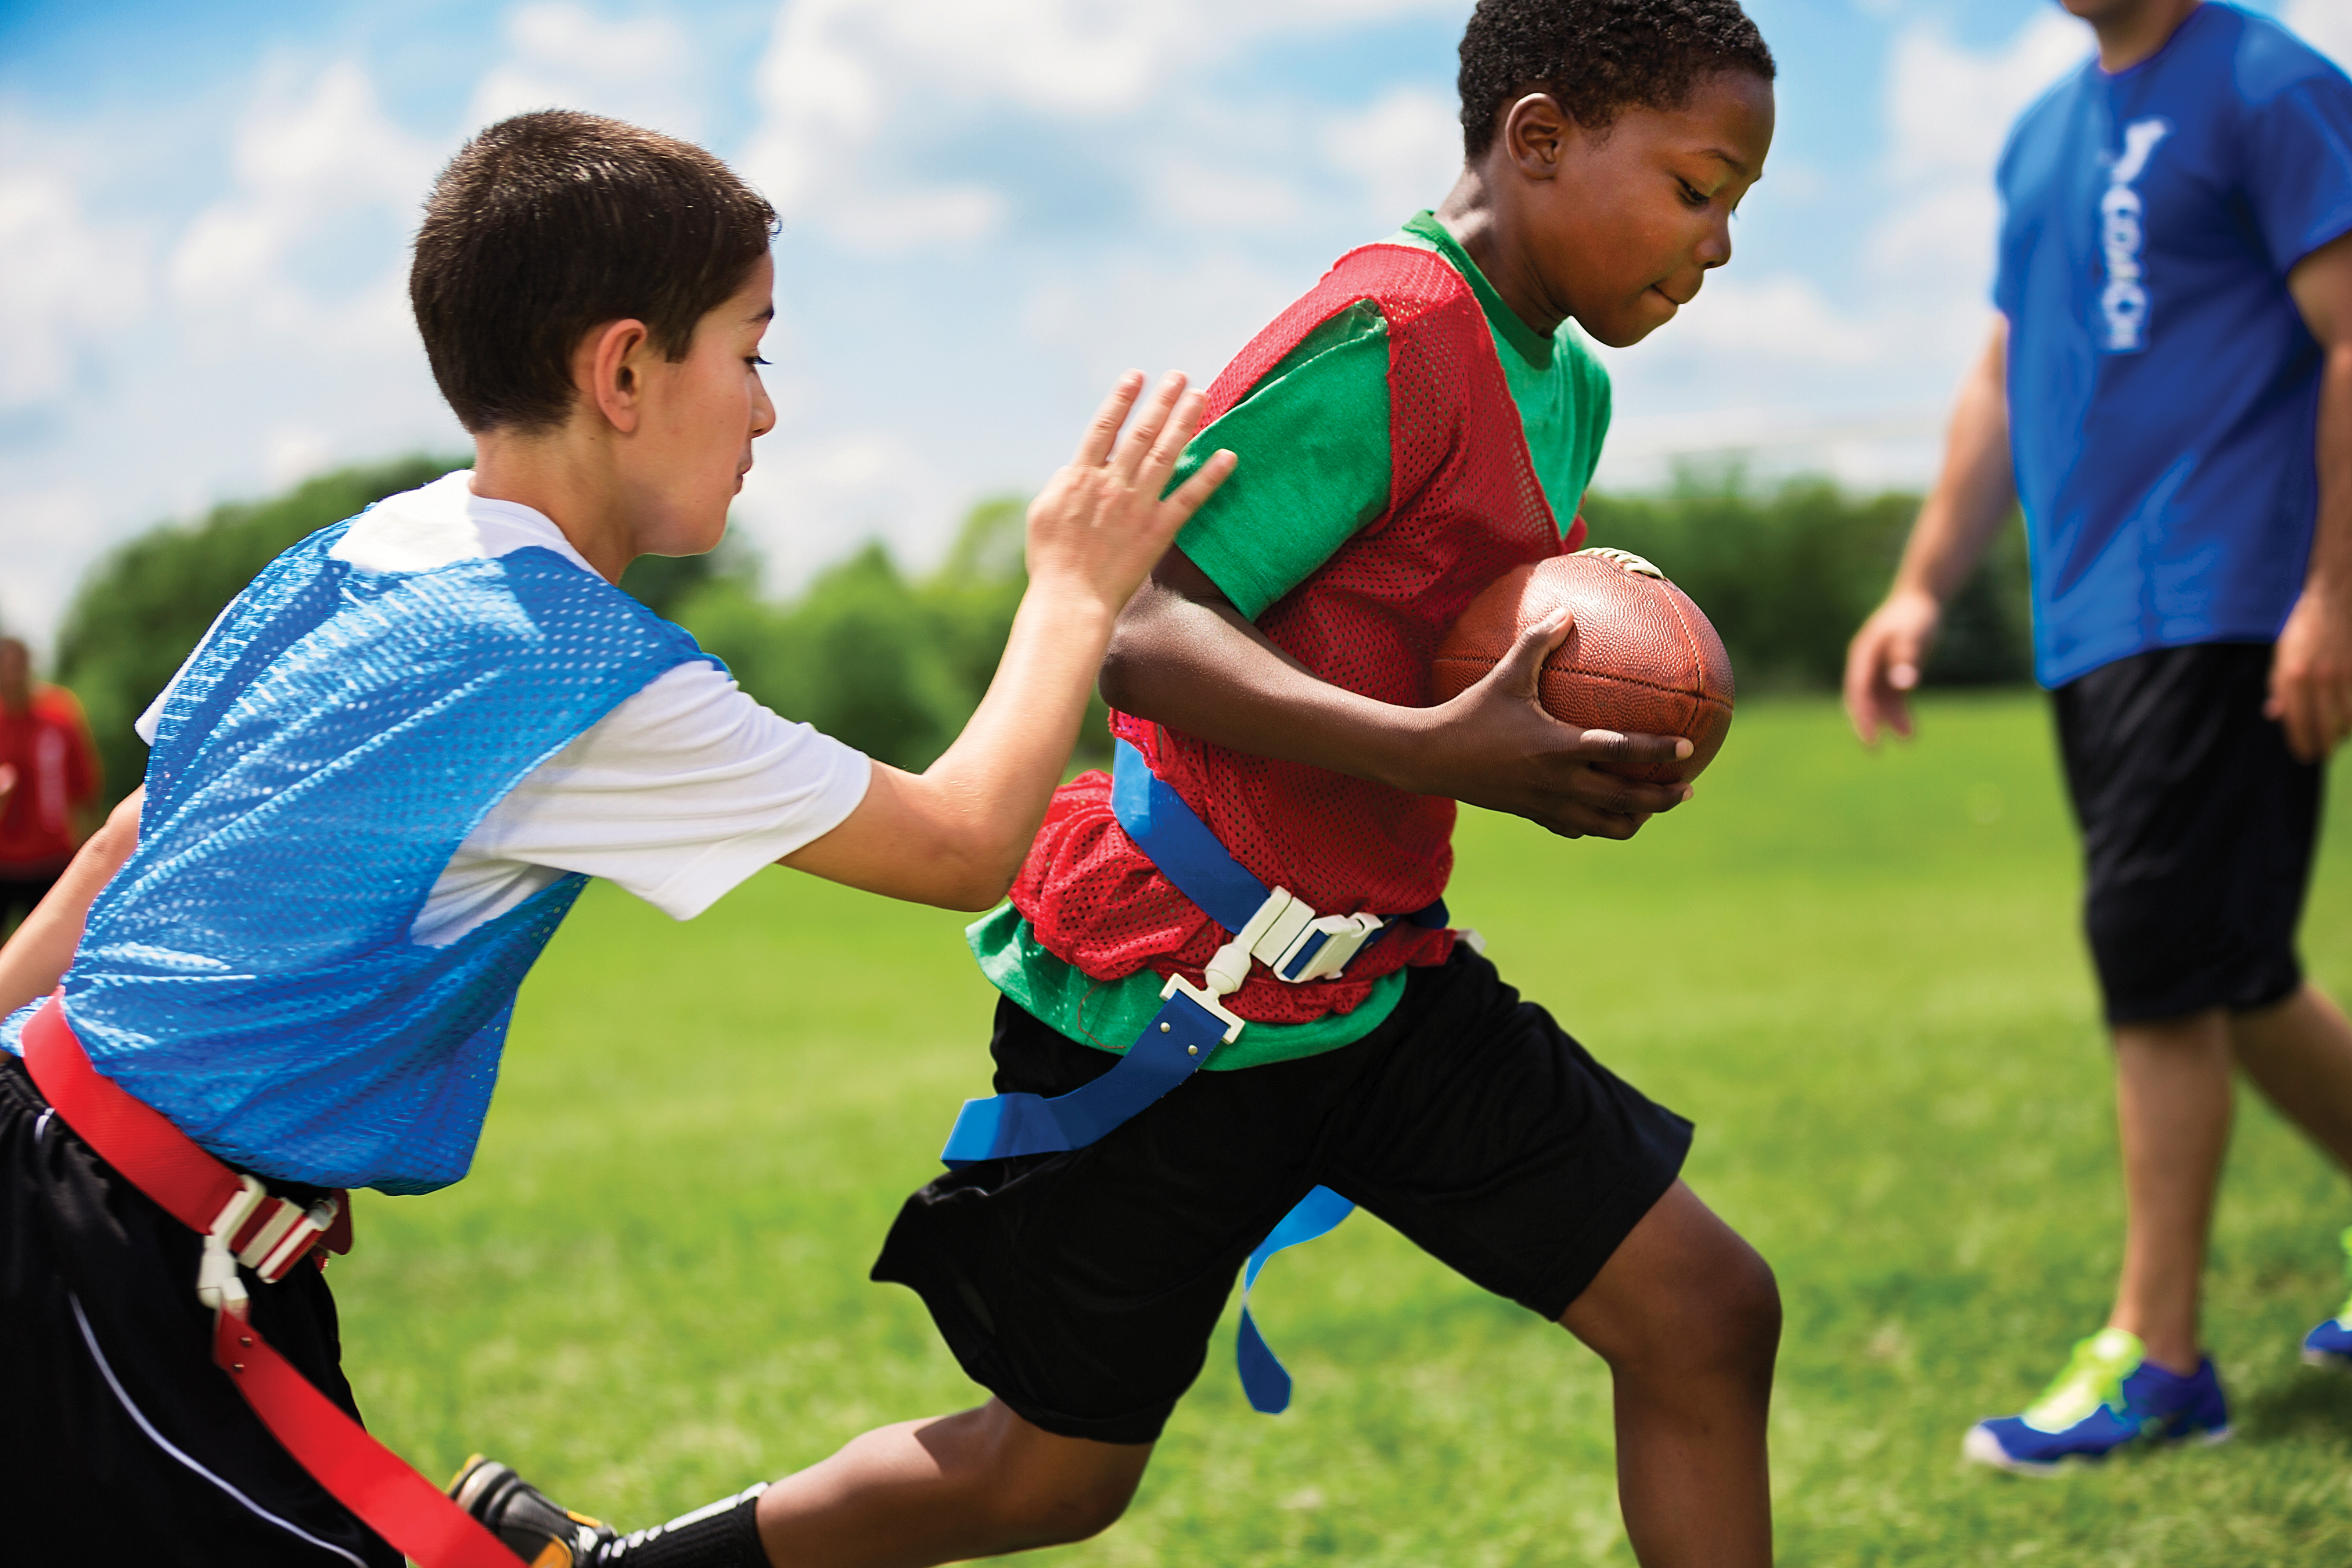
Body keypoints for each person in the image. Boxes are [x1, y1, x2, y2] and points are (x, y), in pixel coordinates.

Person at [477, 5, 1783, 1565]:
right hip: (1176, 990)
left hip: (1374, 981)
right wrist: (1441, 752)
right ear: (1542, 138)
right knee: (1048, 1477)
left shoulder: (1566, 383)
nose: (1716, 246)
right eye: (1696, 189)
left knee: (1705, 1311)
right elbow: (1142, 630)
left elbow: (1427, 646)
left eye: (1735, 208)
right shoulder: (1389, 331)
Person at [0, 109, 1232, 1566]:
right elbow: (963, 842)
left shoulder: (344, 555)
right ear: (626, 371)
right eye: (753, 352)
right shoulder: (573, 668)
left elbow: (120, 848)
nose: (765, 412)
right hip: (109, 1258)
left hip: (96, 1186)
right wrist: (1074, 590)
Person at [1844, 0, 2352, 1475]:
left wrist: (2331, 591)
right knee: (2225, 963)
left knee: (2156, 948)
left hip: (2227, 592)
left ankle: (2159, 1356)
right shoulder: (2040, 136)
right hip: (2091, 616)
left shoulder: (2270, 84)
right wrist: (1918, 584)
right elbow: (2003, 375)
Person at [0, 635, 100, 936]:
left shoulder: (58, 714)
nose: (12, 676)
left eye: (18, 667)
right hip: (3, 857)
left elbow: (85, 784)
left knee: (52, 946)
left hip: (51, 855)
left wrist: (91, 853)